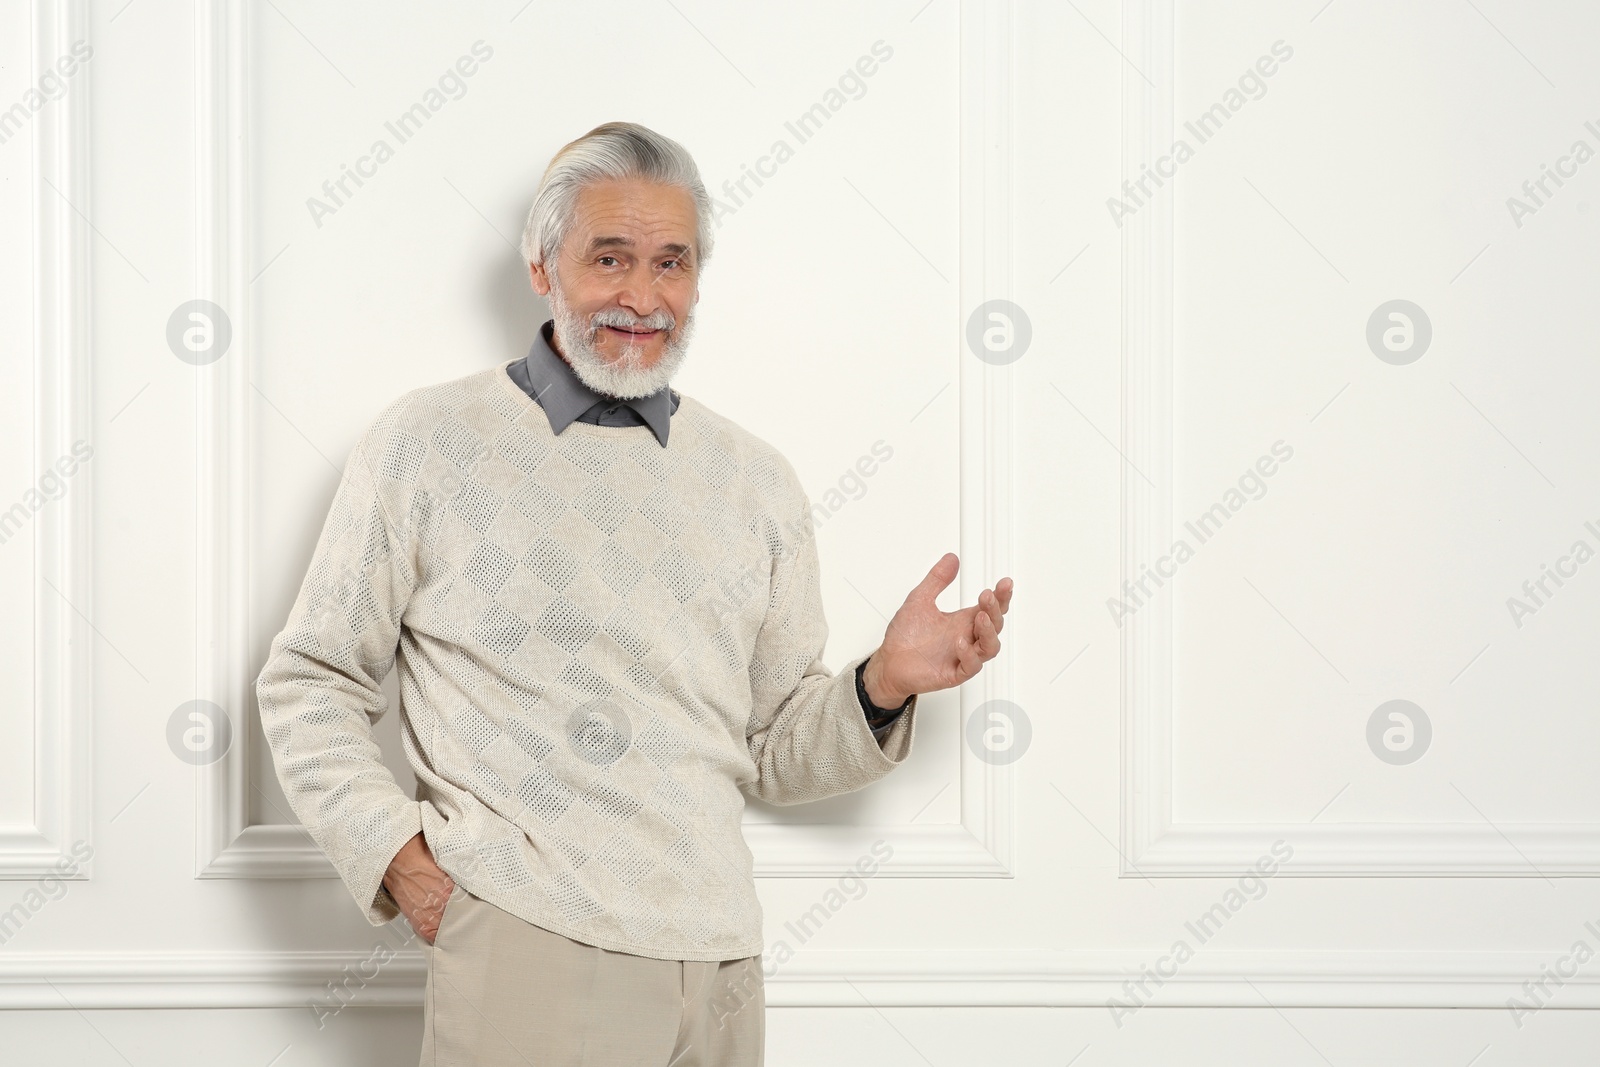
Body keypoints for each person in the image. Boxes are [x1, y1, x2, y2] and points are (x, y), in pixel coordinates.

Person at [256, 120, 1013, 1067]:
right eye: (609, 258)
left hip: (721, 960)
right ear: (543, 266)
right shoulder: (427, 444)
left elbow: (773, 748)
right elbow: (309, 681)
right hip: (524, 940)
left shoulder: (756, 480)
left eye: (671, 263)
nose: (642, 297)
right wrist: (402, 865)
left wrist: (881, 686)